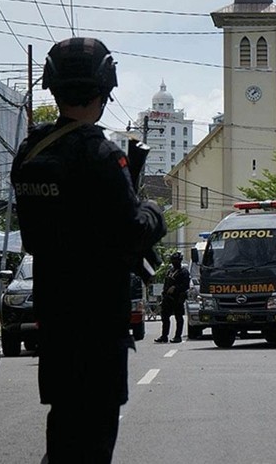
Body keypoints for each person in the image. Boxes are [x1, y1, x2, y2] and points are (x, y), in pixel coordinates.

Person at [10, 37, 166, 463]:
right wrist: (153, 210)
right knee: (94, 439)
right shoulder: (101, 153)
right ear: (105, 88)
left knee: (63, 431)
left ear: (53, 88)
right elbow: (133, 230)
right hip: (98, 320)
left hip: (56, 315)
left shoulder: (30, 151)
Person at [155, 251, 190, 343]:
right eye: (173, 260)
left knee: (178, 318)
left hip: (178, 298)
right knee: (165, 317)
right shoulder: (170, 271)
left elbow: (186, 285)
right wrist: (163, 294)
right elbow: (166, 284)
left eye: (176, 260)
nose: (174, 262)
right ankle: (164, 336)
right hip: (167, 298)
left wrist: (175, 287)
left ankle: (178, 336)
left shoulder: (184, 272)